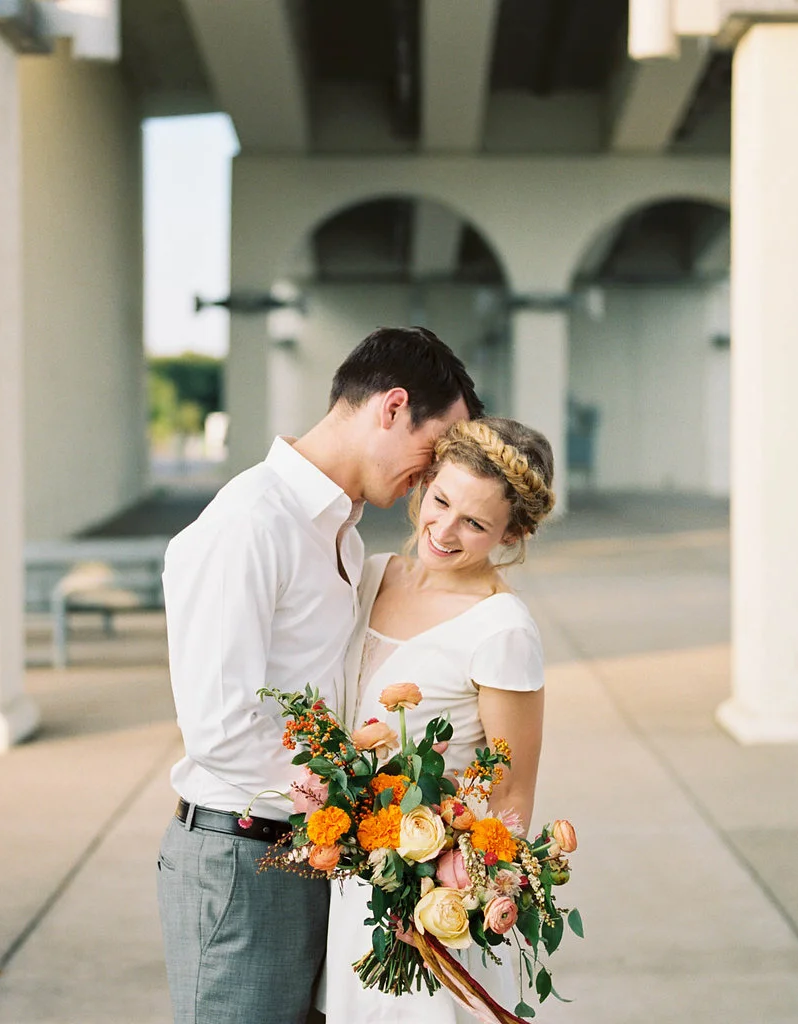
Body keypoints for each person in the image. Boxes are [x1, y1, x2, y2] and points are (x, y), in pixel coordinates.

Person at [156, 326, 483, 1024]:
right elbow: (221, 726)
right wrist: (365, 814)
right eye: (433, 452)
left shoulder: (343, 533)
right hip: (240, 861)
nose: (428, 479)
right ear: (392, 407)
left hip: (310, 856)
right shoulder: (251, 522)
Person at [322, 416, 556, 1024]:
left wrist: (441, 898)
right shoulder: (372, 574)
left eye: (474, 523)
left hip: (429, 915)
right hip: (353, 886)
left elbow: (511, 794)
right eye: (440, 500)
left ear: (514, 532)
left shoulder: (501, 629)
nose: (444, 530)